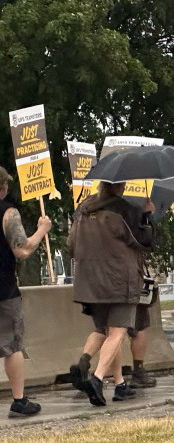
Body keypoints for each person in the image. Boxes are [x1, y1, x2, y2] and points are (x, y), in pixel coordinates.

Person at [68, 181, 155, 406]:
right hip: (119, 280)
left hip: (89, 281)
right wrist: (146, 216)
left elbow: (70, 244)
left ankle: (116, 383)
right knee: (117, 333)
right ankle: (96, 379)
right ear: (121, 187)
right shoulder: (126, 209)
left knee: (105, 332)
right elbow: (145, 241)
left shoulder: (83, 209)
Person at [1, 167, 51, 417]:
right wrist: (42, 229)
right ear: (3, 187)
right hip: (4, 290)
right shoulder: (8, 213)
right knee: (12, 346)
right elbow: (21, 250)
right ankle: (19, 401)